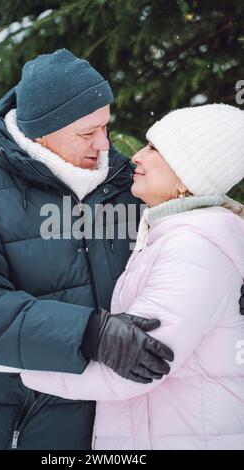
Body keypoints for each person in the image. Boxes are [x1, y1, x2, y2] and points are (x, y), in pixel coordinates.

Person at [0, 49, 173, 450]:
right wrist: (87, 333)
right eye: (87, 133)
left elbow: (185, 250)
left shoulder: (126, 187)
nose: (104, 144)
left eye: (106, 126)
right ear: (41, 133)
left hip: (127, 428)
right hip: (28, 428)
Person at [21, 104, 244, 450]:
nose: (136, 156)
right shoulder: (167, 236)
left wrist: (13, 357)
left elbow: (131, 366)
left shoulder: (192, 248)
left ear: (188, 177)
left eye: (154, 149)